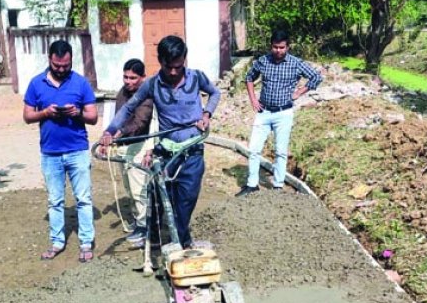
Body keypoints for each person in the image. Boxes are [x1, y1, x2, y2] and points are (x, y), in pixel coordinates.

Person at [104, 35, 221, 249]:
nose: (174, 72)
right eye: (169, 67)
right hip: (167, 153)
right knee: (164, 197)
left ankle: (182, 241)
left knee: (186, 200)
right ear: (160, 61)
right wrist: (111, 131)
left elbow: (215, 93)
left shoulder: (196, 78)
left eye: (178, 66)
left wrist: (206, 115)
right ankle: (166, 239)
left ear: (185, 59)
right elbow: (129, 108)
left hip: (192, 150)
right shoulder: (152, 85)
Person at [22, 39, 98, 262]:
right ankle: (57, 242)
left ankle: (85, 242)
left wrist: (77, 113)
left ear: (71, 60)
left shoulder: (81, 83)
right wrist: (45, 113)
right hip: (50, 153)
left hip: (77, 151)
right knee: (55, 201)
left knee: (83, 199)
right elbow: (27, 116)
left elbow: (93, 117)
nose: (62, 69)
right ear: (50, 60)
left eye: (66, 65)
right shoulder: (36, 83)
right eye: (57, 65)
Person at [236, 29, 323, 197]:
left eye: (282, 47)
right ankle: (252, 185)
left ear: (288, 47)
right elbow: (249, 77)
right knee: (254, 149)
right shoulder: (263, 61)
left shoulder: (296, 63)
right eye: (275, 47)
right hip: (264, 111)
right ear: (271, 46)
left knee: (280, 151)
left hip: (284, 113)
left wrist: (299, 92)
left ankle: (277, 186)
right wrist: (253, 99)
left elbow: (316, 77)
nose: (278, 51)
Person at [100, 59, 155, 245]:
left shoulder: (147, 95)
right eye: (126, 77)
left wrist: (119, 133)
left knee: (139, 189)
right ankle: (137, 221)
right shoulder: (122, 93)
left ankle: (144, 228)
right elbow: (117, 118)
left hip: (139, 145)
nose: (128, 81)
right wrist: (107, 135)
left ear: (142, 77)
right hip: (123, 146)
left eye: (133, 78)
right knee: (129, 188)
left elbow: (140, 122)